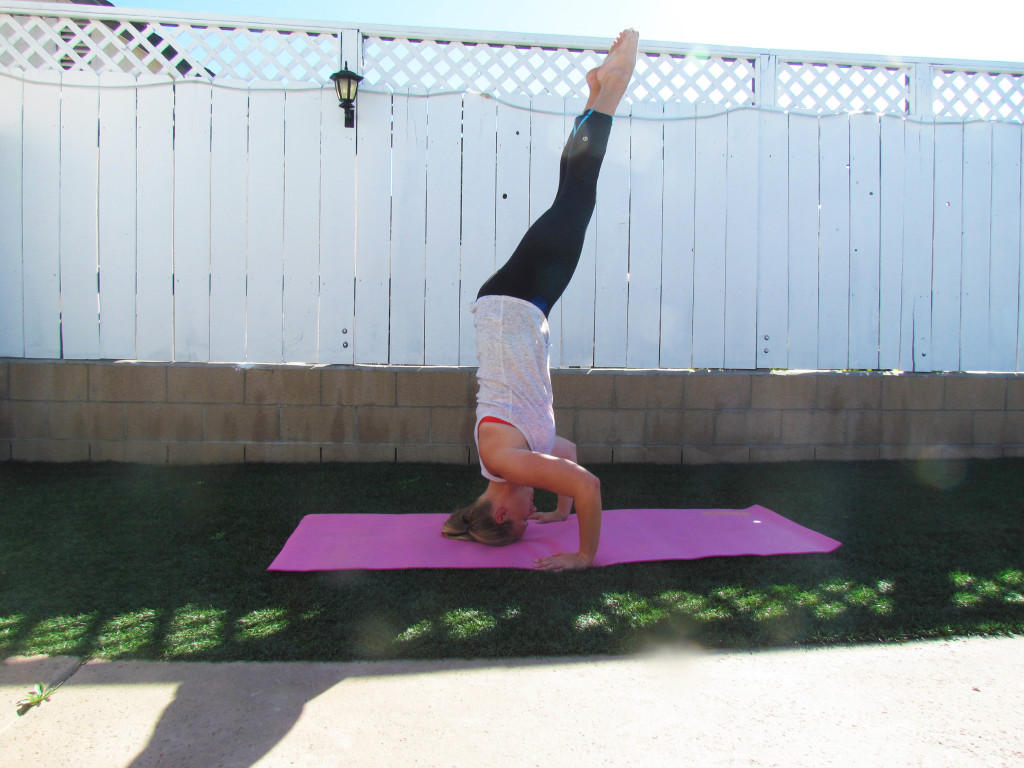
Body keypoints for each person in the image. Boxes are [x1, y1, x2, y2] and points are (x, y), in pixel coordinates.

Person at [442, 28, 639, 571]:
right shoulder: (517, 459)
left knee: (576, 201)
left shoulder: (504, 460)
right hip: (516, 306)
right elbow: (570, 459)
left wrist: (583, 554)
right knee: (570, 197)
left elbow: (589, 485)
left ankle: (611, 90)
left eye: (526, 517)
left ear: (503, 515)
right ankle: (597, 95)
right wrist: (558, 510)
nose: (531, 512)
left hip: (514, 304)